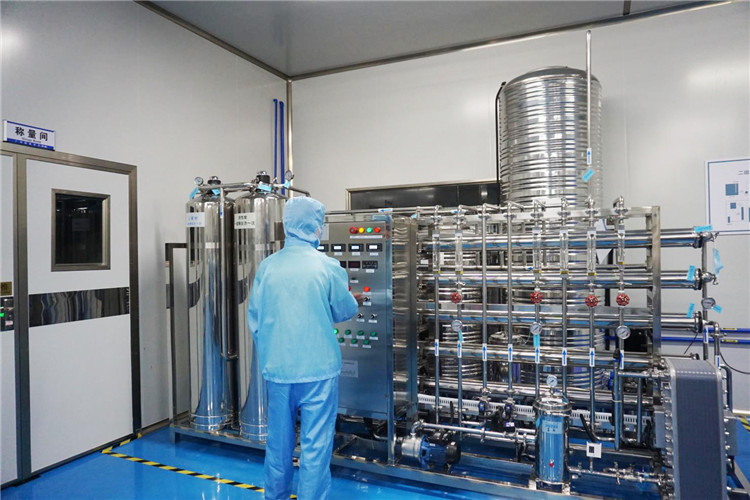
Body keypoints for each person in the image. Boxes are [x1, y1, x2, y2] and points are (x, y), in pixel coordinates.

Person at [247, 196, 361, 500]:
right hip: (318, 369)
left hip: (278, 370)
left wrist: (272, 354)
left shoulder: (267, 267)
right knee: (316, 447)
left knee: (278, 444)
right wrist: (353, 301)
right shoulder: (326, 266)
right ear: (315, 226)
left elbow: (255, 319)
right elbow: (344, 309)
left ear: (287, 224)